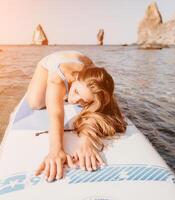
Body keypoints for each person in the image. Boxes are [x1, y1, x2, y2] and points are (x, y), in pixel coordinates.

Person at [24, 50, 127, 182]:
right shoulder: (57, 78)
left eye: (84, 100)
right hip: (51, 61)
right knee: (35, 103)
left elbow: (98, 110)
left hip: (82, 60)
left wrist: (86, 141)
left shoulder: (90, 77)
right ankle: (60, 91)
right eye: (76, 91)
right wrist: (56, 149)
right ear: (76, 79)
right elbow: (56, 115)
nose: (73, 100)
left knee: (97, 94)